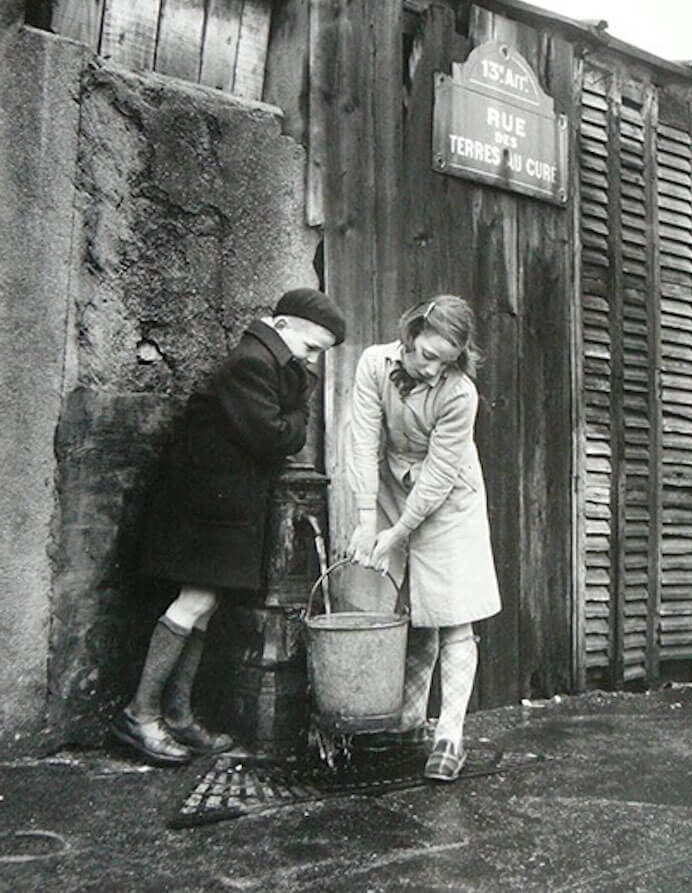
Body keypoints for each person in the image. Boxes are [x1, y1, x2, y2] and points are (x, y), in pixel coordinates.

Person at [112, 288, 346, 765]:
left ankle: (177, 716)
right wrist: (300, 408)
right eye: (311, 347)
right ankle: (139, 715)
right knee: (195, 600)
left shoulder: (271, 362)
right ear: (282, 326)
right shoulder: (252, 362)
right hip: (204, 502)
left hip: (222, 500)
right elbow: (274, 437)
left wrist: (296, 398)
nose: (313, 359)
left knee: (207, 602)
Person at [346, 294, 501, 781]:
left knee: (452, 613)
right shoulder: (374, 363)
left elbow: (436, 477)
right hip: (392, 488)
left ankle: (449, 737)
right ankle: (410, 720)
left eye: (447, 361)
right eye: (428, 356)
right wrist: (367, 516)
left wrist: (399, 532)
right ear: (409, 337)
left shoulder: (460, 395)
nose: (434, 371)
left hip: (450, 499)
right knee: (412, 611)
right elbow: (364, 437)